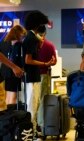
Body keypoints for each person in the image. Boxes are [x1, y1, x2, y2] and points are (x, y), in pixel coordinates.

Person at [22, 10, 56, 139]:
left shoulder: (30, 37)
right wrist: (45, 64)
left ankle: (32, 132)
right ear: (37, 24)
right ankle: (31, 134)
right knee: (32, 106)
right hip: (31, 78)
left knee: (33, 106)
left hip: (31, 77)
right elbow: (28, 60)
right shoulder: (31, 38)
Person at [0, 25, 27, 106]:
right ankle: (10, 116)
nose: (23, 37)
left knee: (6, 97)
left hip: (4, 72)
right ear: (19, 34)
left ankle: (6, 116)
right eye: (23, 35)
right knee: (12, 97)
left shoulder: (3, 43)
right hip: (14, 72)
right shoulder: (18, 45)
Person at [37, 25, 57, 131]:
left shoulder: (30, 44)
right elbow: (54, 62)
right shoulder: (49, 45)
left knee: (31, 101)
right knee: (42, 100)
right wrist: (48, 63)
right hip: (44, 75)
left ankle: (31, 124)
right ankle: (41, 125)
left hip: (30, 76)